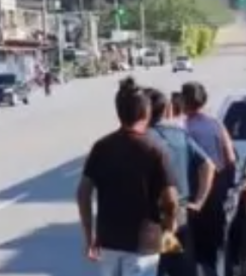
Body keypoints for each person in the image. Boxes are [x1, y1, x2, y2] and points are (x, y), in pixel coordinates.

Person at [76, 78, 180, 276]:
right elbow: (171, 201)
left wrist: (90, 237)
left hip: (108, 241)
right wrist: (169, 229)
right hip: (144, 244)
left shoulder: (102, 147)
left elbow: (83, 194)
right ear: (146, 113)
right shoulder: (154, 150)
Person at [145, 88, 215, 276]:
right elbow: (208, 165)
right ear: (165, 109)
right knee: (180, 269)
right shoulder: (179, 135)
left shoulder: (142, 139)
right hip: (178, 216)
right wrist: (199, 201)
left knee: (153, 269)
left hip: (151, 220)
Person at [180, 82, 236, 276]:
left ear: (183, 101)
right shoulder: (216, 124)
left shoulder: (183, 127)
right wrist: (229, 185)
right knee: (212, 244)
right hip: (216, 193)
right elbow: (230, 157)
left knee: (187, 244)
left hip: (192, 192)